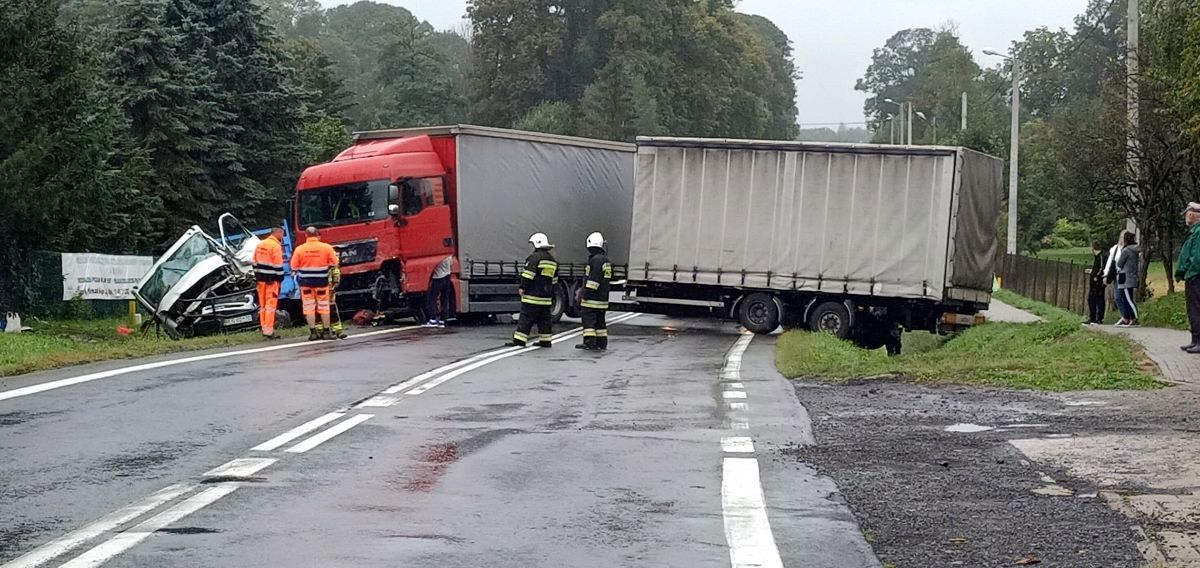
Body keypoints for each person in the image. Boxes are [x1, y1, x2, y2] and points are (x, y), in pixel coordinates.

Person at [291, 227, 341, 340]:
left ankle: (313, 333)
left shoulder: (299, 249)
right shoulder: (326, 247)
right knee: (324, 307)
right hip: (321, 282)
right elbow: (334, 262)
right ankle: (327, 332)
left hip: (305, 283)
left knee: (309, 308)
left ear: (306, 236)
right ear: (318, 235)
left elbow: (293, 266)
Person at [511, 232, 557, 348]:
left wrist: (522, 287)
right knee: (544, 320)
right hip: (546, 298)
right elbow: (554, 280)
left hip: (532, 297)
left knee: (526, 318)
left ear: (537, 244)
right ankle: (545, 341)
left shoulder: (534, 258)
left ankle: (519, 341)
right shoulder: (552, 260)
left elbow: (528, 275)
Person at [576, 232, 613, 351]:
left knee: (589, 322)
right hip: (602, 299)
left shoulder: (596, 260)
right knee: (600, 323)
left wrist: (585, 295)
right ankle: (602, 342)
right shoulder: (605, 260)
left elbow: (593, 281)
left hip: (592, 300)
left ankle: (589, 342)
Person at [252, 227, 286, 338]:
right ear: (278, 233)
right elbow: (278, 265)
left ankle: (264, 328)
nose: (283, 237)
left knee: (262, 306)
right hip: (271, 281)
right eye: (282, 234)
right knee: (270, 306)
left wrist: (258, 277)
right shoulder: (275, 246)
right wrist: (280, 279)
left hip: (261, 280)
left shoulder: (260, 244)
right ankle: (269, 331)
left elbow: (254, 262)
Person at [1176, 203, 1200, 353]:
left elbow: (1196, 256)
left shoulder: (1198, 233)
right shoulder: (1195, 232)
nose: (1186, 217)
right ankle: (1195, 339)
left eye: (1186, 214)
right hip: (1193, 275)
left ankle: (1199, 341)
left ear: (1191, 215)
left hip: (1196, 276)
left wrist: (1190, 270)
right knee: (1193, 309)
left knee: (1196, 308)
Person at [1114, 231, 1141, 328]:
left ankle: (1134, 319)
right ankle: (1128, 317)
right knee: (1126, 298)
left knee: (1128, 299)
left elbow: (1119, 264)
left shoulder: (1126, 251)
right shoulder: (1135, 250)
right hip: (1130, 276)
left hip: (1125, 277)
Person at [425, 255, 455, 328]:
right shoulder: (449, 256)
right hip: (447, 277)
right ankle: (443, 319)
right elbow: (451, 263)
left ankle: (433, 319)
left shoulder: (439, 257)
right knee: (444, 298)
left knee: (432, 298)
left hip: (438, 278)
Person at [1084, 240, 1109, 325]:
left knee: (1099, 299)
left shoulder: (1101, 256)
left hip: (1098, 281)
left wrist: (1096, 276)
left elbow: (1101, 269)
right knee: (1091, 299)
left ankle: (1098, 318)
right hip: (1094, 280)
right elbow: (1097, 268)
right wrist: (1092, 271)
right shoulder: (1098, 257)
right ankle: (1092, 317)